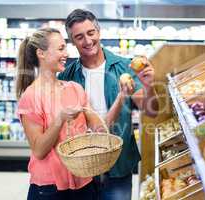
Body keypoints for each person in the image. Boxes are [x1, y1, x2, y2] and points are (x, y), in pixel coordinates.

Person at [58, 9, 159, 200]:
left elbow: (151, 111)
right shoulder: (66, 76)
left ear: (98, 32)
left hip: (118, 165)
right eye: (79, 37)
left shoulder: (124, 66)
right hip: (82, 166)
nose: (87, 41)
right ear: (72, 42)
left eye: (90, 33)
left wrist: (148, 85)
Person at [16, 28, 105, 200]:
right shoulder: (31, 96)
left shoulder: (75, 88)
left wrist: (99, 132)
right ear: (41, 53)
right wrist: (61, 119)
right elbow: (39, 150)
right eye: (61, 48)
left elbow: (98, 126)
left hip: (84, 182)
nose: (66, 53)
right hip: (50, 188)